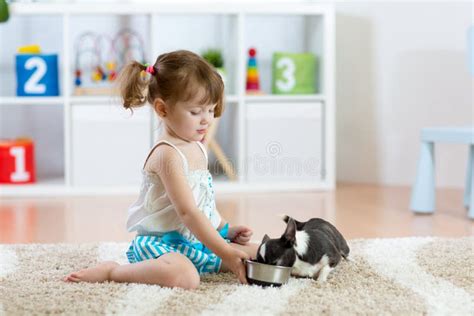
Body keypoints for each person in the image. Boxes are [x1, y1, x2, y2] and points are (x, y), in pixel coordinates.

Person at [63, 50, 258, 289]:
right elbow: (188, 213)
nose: (206, 119)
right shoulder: (167, 155)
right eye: (196, 112)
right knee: (185, 277)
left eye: (210, 109)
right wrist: (225, 251)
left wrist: (225, 229)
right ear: (162, 109)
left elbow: (203, 204)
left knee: (258, 253)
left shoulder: (197, 147)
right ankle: (113, 271)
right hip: (160, 245)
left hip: (194, 242)